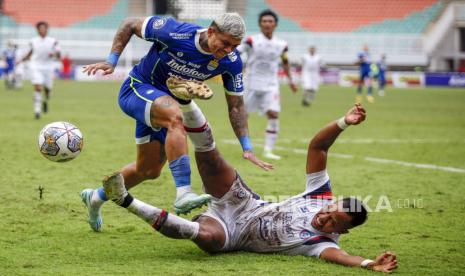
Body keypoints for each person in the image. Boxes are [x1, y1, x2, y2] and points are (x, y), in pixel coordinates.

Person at [102, 102, 398, 273]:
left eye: (334, 222)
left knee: (203, 235)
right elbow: (318, 146)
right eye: (330, 211)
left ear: (342, 231)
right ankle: (188, 100)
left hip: (233, 235)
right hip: (245, 203)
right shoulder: (320, 194)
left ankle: (124, 199)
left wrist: (369, 263)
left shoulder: (322, 244)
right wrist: (344, 122)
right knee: (212, 160)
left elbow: (344, 258)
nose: (325, 218)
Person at [80, 13, 272, 232]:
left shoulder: (231, 62)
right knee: (176, 117)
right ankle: (183, 193)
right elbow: (130, 23)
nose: (229, 50)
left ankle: (95, 197)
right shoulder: (175, 31)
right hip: (137, 89)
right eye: (226, 43)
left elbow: (236, 105)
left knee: (148, 170)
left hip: (163, 106)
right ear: (211, 32)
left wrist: (246, 147)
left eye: (234, 46)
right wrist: (111, 61)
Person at [237, 9, 298, 160]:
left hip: (271, 84)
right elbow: (237, 53)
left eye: (270, 21)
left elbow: (285, 62)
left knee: (273, 114)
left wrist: (291, 80)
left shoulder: (281, 44)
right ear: (260, 24)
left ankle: (268, 150)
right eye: (264, 21)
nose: (267, 24)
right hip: (250, 83)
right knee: (242, 116)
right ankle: (246, 148)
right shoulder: (251, 41)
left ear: (275, 24)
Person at [17, 21, 61, 119]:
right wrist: (21, 60)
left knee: (47, 90)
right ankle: (37, 111)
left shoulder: (53, 41)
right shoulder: (33, 41)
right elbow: (29, 53)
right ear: (37, 30)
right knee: (38, 88)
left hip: (48, 67)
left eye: (44, 28)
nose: (43, 30)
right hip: (35, 66)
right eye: (40, 28)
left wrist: (53, 54)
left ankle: (45, 101)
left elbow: (58, 55)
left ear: (47, 29)